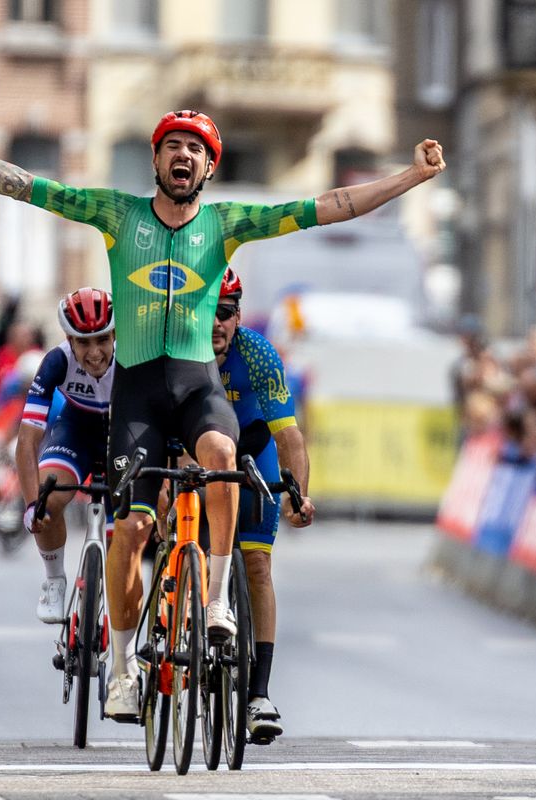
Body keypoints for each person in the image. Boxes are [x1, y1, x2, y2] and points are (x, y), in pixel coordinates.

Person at [0, 100, 445, 720]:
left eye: (197, 150)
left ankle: (215, 601)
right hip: (137, 394)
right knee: (131, 530)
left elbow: (327, 208)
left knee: (221, 459)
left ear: (209, 167)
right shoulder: (118, 213)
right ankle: (118, 671)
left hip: (196, 388)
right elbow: (26, 187)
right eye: (172, 147)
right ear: (157, 159)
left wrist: (411, 178)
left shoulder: (227, 222)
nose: (183, 156)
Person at [210, 268, 315, 743]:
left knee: (257, 567)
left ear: (238, 315)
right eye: (207, 311)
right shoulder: (180, 350)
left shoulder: (256, 353)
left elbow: (289, 437)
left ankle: (258, 694)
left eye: (226, 313)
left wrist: (299, 494)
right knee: (180, 533)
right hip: (197, 452)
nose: (216, 323)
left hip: (254, 453)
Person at [18, 288, 116, 624]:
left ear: (116, 334)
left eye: (102, 340)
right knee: (48, 494)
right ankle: (54, 578)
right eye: (82, 342)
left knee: (130, 532)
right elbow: (27, 441)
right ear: (68, 340)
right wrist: (33, 506)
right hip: (78, 429)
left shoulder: (133, 357)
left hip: (122, 435)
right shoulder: (56, 361)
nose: (94, 353)